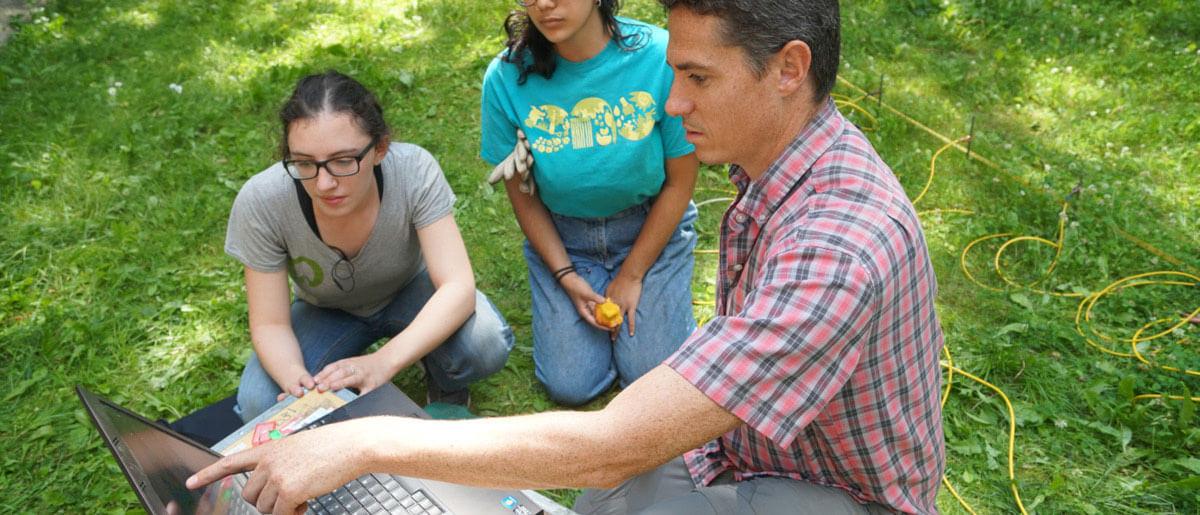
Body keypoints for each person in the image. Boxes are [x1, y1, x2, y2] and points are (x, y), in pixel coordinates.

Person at [190, 2, 945, 513]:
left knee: (605, 465)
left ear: (788, 69)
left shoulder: (839, 246)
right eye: (676, 73)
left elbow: (609, 444)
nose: (673, 104)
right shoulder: (784, 167)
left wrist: (363, 442)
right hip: (756, 445)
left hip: (831, 490)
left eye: (698, 78)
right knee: (597, 492)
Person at [224, 71, 514, 422]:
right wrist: (296, 383)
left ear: (380, 149)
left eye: (344, 161)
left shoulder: (413, 170)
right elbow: (269, 324)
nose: (325, 183)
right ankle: (332, 407)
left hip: (410, 289)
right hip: (325, 310)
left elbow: (457, 287)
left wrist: (383, 362)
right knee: (259, 401)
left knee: (484, 343)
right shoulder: (263, 200)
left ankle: (440, 374)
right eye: (304, 163)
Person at [481, 0, 701, 406]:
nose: (544, 5)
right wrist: (565, 275)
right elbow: (524, 200)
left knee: (651, 378)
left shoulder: (657, 56)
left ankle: (650, 309)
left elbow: (680, 183)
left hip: (650, 227)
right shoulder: (506, 76)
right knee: (571, 385)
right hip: (567, 240)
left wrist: (633, 274)